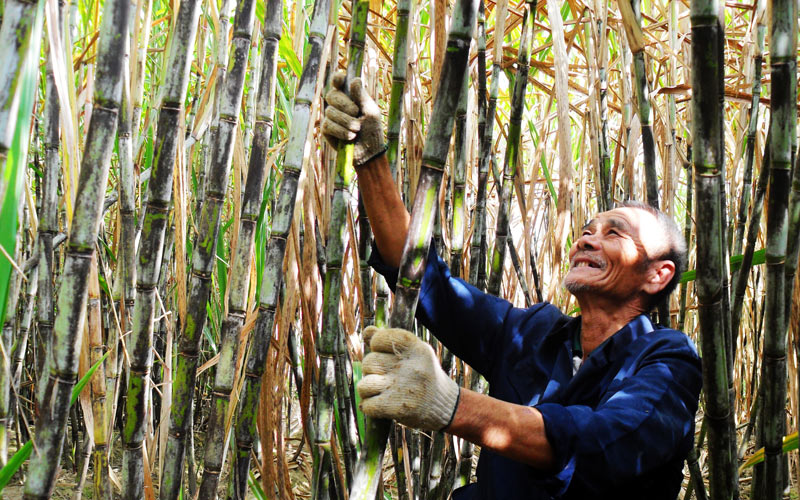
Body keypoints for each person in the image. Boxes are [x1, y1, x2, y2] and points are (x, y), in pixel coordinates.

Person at [322, 73, 703, 499]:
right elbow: (427, 281)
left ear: (658, 274)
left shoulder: (668, 361)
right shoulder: (533, 334)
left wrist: (451, 404)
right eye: (586, 230)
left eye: (614, 233)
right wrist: (371, 159)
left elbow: (606, 444)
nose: (587, 238)